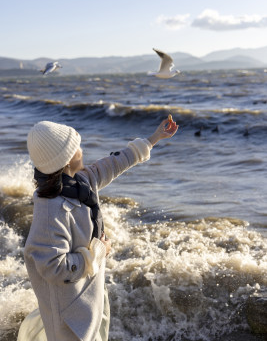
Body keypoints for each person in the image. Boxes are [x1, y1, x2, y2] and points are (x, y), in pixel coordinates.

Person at [18, 117, 178, 341]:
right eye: (76, 149)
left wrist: (154, 138)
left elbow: (114, 163)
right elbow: (54, 267)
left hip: (87, 300)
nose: (81, 151)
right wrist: (98, 251)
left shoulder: (82, 182)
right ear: (64, 161)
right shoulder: (49, 210)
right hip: (68, 317)